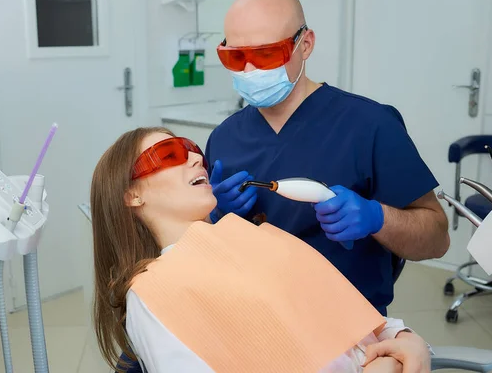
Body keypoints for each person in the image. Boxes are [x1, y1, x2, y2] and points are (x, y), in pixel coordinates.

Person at [90, 127, 432, 373]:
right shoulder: (153, 291)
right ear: (132, 195)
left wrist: (404, 337)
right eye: (169, 154)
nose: (196, 157)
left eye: (192, 147)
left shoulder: (256, 237)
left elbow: (347, 315)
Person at [205, 0, 450, 316]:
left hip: (348, 327)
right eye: (235, 57)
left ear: (305, 45)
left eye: (265, 55)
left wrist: (378, 218)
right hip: (256, 318)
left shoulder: (371, 125)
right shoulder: (224, 138)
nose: (249, 70)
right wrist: (216, 217)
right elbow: (205, 251)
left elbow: (437, 239)